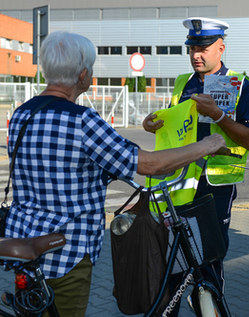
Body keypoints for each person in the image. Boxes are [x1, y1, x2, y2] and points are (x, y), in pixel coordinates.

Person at [5, 31, 225, 317]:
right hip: (66, 250)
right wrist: (204, 146)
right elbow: (149, 165)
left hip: (24, 241)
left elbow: (52, 164)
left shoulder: (23, 114)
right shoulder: (81, 119)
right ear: (83, 74)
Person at [143, 17, 249, 310]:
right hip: (179, 186)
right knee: (173, 265)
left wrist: (218, 115)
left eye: (203, 47)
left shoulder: (240, 84)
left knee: (208, 265)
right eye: (192, 47)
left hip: (216, 187)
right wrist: (153, 125)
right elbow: (175, 126)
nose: (196, 54)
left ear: (221, 47)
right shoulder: (184, 83)